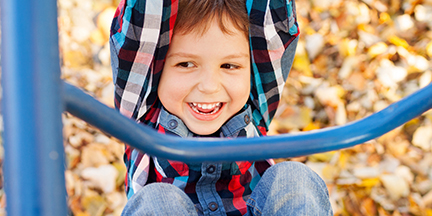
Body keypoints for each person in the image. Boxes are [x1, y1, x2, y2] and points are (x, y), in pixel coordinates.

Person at [110, 0, 333, 215]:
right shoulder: (142, 117)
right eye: (186, 64)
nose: (209, 86)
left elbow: (270, 16)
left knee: (294, 179)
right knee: (158, 201)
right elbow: (143, 21)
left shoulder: (254, 105)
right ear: (156, 67)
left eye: (229, 65)